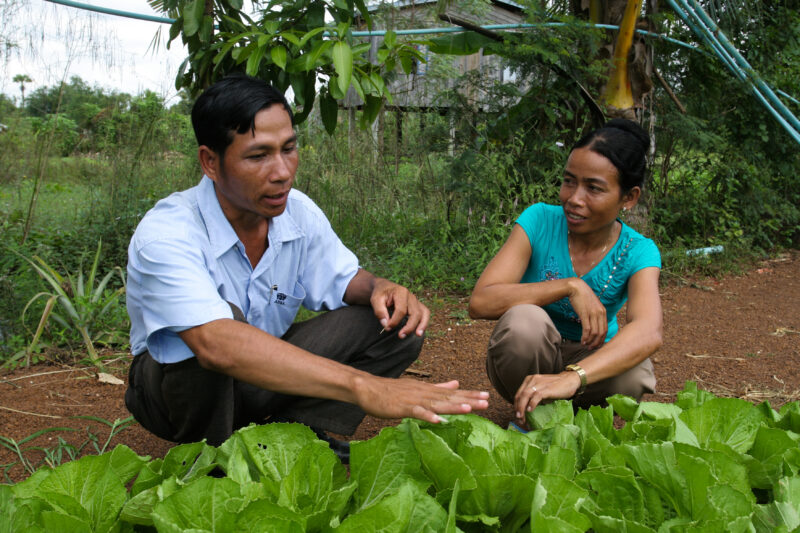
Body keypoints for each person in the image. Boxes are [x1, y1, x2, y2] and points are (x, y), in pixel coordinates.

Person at [124, 74, 488, 457]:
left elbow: (345, 278)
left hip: (262, 375)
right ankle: (212, 460)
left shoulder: (297, 212)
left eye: (289, 148)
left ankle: (294, 444)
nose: (282, 171)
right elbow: (217, 346)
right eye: (258, 155)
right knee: (217, 328)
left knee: (391, 322)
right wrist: (364, 386)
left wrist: (381, 286)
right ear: (210, 162)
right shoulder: (167, 232)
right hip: (173, 393)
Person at [468, 119, 662, 426]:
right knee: (524, 322)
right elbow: (481, 302)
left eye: (594, 188)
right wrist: (569, 286)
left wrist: (574, 377)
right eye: (569, 181)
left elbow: (649, 331)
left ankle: (577, 419)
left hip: (590, 369)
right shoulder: (540, 220)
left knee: (636, 371)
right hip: (533, 360)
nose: (574, 198)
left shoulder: (639, 251)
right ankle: (534, 418)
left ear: (629, 198)